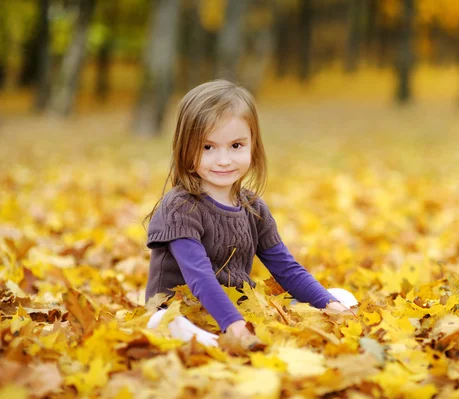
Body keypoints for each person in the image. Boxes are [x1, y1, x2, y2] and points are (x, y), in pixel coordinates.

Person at [144, 80, 357, 346]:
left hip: (239, 312)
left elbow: (286, 269)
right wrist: (234, 325)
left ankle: (232, 337)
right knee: (163, 321)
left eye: (236, 146)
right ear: (186, 148)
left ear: (253, 145)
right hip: (185, 309)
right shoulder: (181, 207)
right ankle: (212, 341)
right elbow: (199, 277)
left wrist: (331, 305)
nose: (224, 159)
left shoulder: (253, 208)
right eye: (208, 147)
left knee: (339, 296)